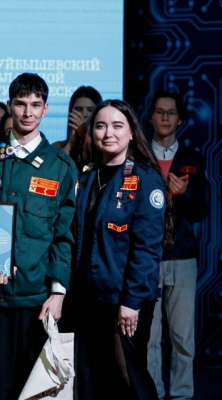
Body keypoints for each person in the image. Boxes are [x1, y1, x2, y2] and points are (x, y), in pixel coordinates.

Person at [0, 72, 78, 400]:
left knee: (33, 392)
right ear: (10, 106)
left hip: (36, 300)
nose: (28, 112)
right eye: (20, 104)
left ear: (45, 109)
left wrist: (58, 292)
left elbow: (64, 235)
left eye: (35, 105)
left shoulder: (61, 166)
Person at [69, 99, 169, 399]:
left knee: (128, 377)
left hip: (124, 300)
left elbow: (147, 249)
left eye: (117, 125)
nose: (108, 133)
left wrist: (132, 302)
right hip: (88, 297)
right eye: (100, 126)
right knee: (92, 380)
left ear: (131, 132)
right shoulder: (86, 175)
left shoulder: (145, 179)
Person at [146, 90, 208, 400]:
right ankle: (153, 393)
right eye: (160, 112)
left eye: (171, 112)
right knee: (150, 336)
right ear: (151, 117)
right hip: (147, 256)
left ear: (180, 119)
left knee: (183, 336)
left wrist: (183, 196)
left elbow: (201, 211)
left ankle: (182, 394)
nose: (165, 117)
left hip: (182, 256)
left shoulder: (193, 159)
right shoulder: (140, 156)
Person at [52, 85, 103, 170]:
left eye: (90, 110)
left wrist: (86, 136)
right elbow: (52, 171)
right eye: (78, 109)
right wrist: (70, 144)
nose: (84, 114)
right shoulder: (58, 147)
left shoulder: (104, 147)